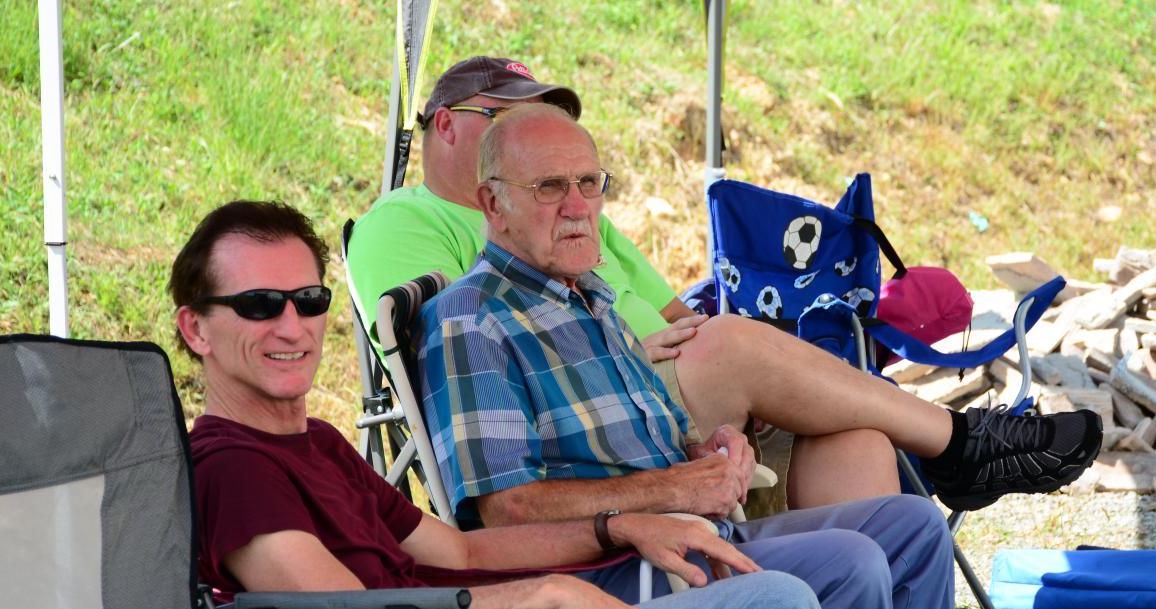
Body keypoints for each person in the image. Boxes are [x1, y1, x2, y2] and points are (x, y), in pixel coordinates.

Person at [170, 199, 870, 609]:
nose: (293, 326)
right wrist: (550, 592)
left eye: (309, 299)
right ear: (195, 328)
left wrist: (618, 526)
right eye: (260, 305)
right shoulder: (233, 469)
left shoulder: (315, 441)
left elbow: (461, 547)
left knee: (781, 599)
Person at [416, 104, 1006, 609]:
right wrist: (675, 491)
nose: (578, 206)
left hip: (694, 532)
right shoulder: (471, 320)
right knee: (851, 564)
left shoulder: (592, 297)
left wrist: (714, 445)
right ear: (493, 202)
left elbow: (662, 439)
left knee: (910, 527)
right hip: (617, 569)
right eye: (549, 188)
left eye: (589, 183)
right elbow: (502, 511)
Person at [348, 55, 1102, 516]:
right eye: (517, 117)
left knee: (855, 437)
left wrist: (693, 338)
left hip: (677, 385)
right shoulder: (404, 219)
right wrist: (643, 346)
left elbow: (682, 311)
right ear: (447, 126)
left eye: (554, 123)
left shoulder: (576, 210)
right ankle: (960, 445)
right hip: (577, 410)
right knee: (734, 342)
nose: (546, 139)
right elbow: (464, 351)